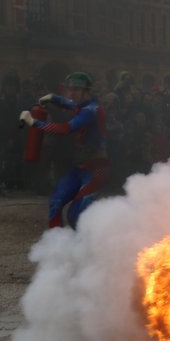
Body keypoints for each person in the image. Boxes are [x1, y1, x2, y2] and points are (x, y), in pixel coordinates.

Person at [19, 71, 108, 228]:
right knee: (56, 202)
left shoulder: (90, 111)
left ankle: (91, 247)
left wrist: (34, 123)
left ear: (85, 91)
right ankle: (57, 244)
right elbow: (68, 103)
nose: (71, 93)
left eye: (76, 90)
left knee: (76, 215)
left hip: (96, 171)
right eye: (70, 89)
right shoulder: (82, 105)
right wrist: (53, 98)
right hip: (80, 167)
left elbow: (65, 129)